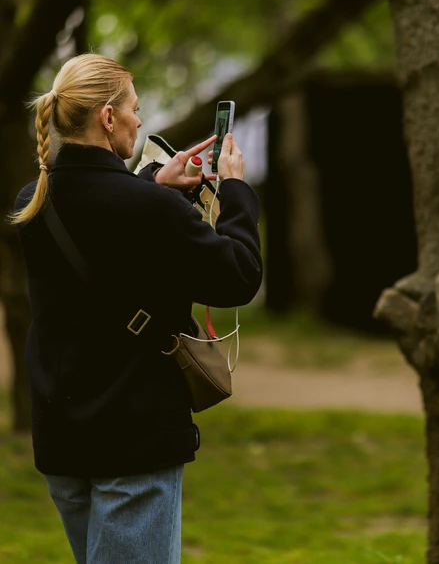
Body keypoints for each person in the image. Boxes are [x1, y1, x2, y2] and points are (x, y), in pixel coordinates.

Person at [9, 53, 262, 564]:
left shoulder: (34, 201)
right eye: (134, 109)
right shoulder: (151, 210)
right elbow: (239, 276)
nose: (140, 121)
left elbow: (102, 227)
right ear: (108, 117)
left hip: (61, 439)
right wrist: (235, 190)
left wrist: (151, 184)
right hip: (134, 440)